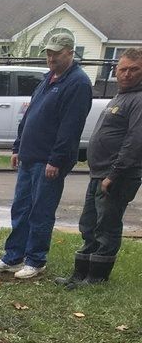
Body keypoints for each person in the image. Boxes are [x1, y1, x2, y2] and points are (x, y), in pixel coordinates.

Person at [0, 32, 94, 281]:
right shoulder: (47, 79)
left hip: (49, 161)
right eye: (48, 52)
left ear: (70, 52)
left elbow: (70, 127)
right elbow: (30, 116)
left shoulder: (78, 83)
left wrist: (56, 159)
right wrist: (17, 147)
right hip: (29, 156)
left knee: (40, 211)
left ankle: (35, 260)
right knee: (21, 207)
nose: (51, 57)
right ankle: (13, 256)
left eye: (56, 53)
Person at [57, 48, 142, 288]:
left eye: (133, 70)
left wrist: (114, 174)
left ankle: (96, 278)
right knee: (89, 224)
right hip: (99, 173)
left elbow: (135, 142)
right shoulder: (121, 96)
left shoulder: (138, 100)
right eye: (123, 69)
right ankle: (80, 274)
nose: (127, 74)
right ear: (116, 70)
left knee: (107, 225)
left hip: (117, 176)